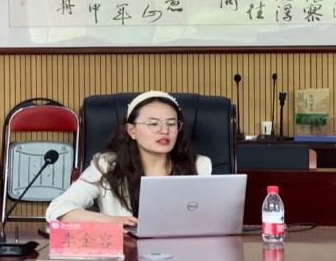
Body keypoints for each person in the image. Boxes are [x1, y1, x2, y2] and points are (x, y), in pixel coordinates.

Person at [45, 90, 212, 227]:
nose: (164, 130)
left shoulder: (199, 165)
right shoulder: (107, 166)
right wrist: (111, 222)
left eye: (171, 123)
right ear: (132, 131)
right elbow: (58, 209)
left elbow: (212, 218)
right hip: (125, 252)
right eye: (153, 124)